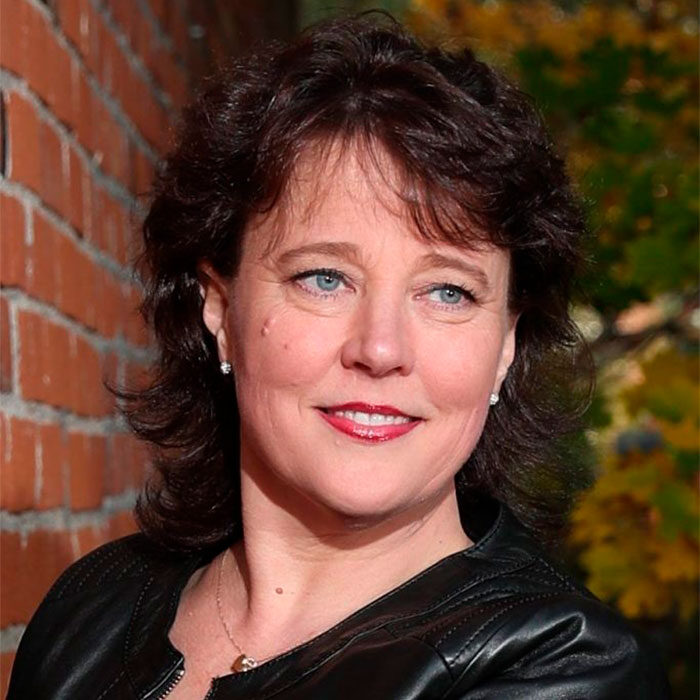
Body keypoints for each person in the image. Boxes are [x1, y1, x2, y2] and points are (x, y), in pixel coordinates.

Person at [8, 14, 669, 699]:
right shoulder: (93, 611)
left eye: (447, 291)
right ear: (220, 308)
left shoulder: (568, 669)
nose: (381, 349)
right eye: (324, 279)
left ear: (505, 345)